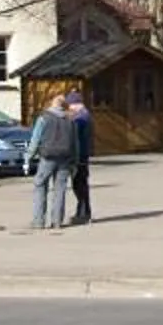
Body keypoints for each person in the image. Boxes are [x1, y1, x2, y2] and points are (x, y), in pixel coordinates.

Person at [27, 95, 79, 229]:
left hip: (47, 157)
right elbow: (75, 143)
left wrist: (29, 155)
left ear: (52, 104)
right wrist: (75, 161)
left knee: (40, 185)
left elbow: (36, 138)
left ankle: (39, 221)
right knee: (60, 189)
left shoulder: (44, 118)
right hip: (65, 158)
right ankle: (57, 221)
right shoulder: (70, 120)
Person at [66, 89, 94, 225]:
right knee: (81, 183)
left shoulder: (80, 118)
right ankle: (84, 211)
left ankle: (83, 212)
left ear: (75, 104)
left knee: (79, 184)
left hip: (80, 155)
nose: (69, 108)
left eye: (70, 105)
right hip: (84, 153)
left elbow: (75, 136)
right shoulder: (85, 115)